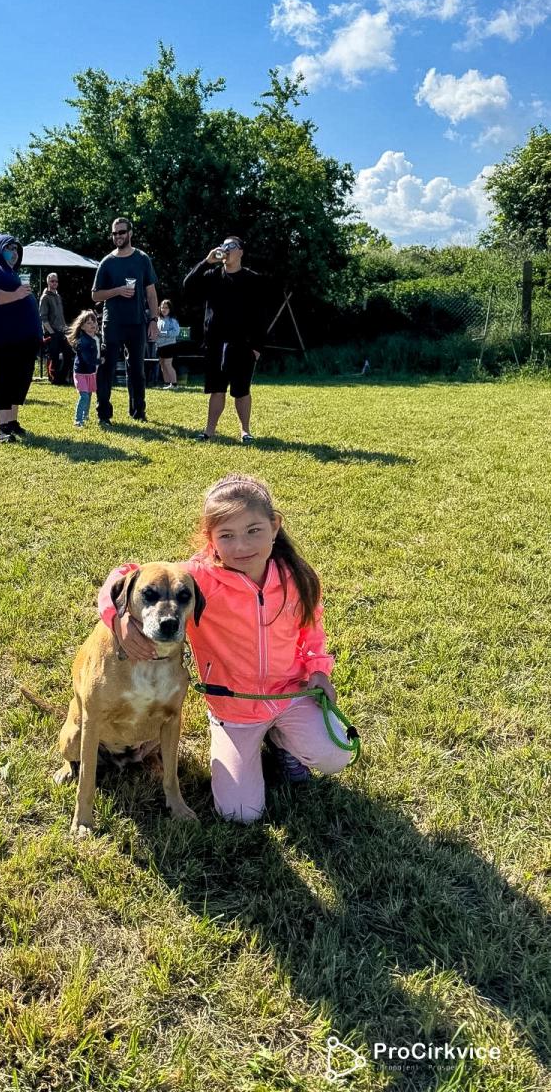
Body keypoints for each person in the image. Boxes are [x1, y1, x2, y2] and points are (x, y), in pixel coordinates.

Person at [97, 473, 355, 823]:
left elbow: (312, 633)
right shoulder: (196, 579)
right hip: (235, 711)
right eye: (226, 536)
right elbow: (122, 575)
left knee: (336, 754)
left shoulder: (297, 577)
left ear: (275, 526)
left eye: (253, 531)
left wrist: (318, 671)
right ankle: (251, 743)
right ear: (211, 540)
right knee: (240, 813)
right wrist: (119, 619)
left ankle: (282, 743)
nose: (241, 546)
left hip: (290, 696)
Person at [183, 237, 271, 443]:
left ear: (241, 252)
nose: (226, 249)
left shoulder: (252, 279)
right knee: (216, 389)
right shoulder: (212, 276)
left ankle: (245, 431)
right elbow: (188, 286)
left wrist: (257, 347)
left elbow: (261, 315)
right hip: (214, 343)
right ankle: (209, 431)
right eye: (224, 245)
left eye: (231, 246)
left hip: (242, 344)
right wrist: (206, 261)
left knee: (241, 391)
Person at [92, 217, 159, 424]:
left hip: (137, 322)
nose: (118, 236)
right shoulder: (107, 262)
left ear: (130, 233)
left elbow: (151, 293)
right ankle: (104, 414)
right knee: (107, 368)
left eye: (121, 232)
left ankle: (138, 411)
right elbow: (95, 295)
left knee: (137, 369)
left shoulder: (142, 258)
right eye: (114, 233)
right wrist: (118, 291)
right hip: (112, 322)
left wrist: (153, 320)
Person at [0, 233, 43, 443]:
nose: (14, 253)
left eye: (16, 249)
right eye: (9, 248)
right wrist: (17, 294)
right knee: (3, 381)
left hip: (24, 340)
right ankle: (2, 426)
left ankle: (13, 421)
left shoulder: (13, 273)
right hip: (2, 338)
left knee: (19, 380)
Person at [67, 310, 100, 428]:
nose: (92, 325)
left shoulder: (96, 338)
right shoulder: (83, 341)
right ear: (82, 327)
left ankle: (85, 415)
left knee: (89, 394)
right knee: (84, 396)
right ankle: (78, 420)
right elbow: (87, 359)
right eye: (88, 323)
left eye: (93, 322)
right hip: (81, 373)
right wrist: (99, 361)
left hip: (90, 372)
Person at [39, 272, 72, 385]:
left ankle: (62, 378)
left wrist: (66, 329)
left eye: (56, 281)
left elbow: (60, 316)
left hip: (61, 331)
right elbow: (43, 317)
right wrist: (52, 333)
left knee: (68, 353)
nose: (54, 283)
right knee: (54, 357)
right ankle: (55, 379)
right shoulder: (45, 297)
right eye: (52, 281)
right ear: (48, 282)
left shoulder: (58, 296)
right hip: (51, 332)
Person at [155, 299, 180, 389]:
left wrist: (162, 333)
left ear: (170, 309)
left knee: (168, 364)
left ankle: (174, 384)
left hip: (169, 345)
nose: (164, 309)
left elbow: (176, 332)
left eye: (166, 308)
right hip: (159, 346)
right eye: (162, 307)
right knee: (162, 364)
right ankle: (167, 383)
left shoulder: (172, 320)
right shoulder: (158, 319)